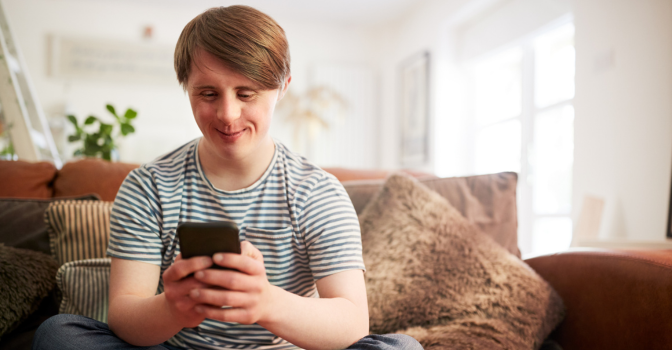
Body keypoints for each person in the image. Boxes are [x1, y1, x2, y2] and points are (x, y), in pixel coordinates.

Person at [33, 5, 423, 350]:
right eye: (207, 94)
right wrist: (175, 308)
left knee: (400, 348)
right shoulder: (147, 186)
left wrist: (267, 302)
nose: (228, 114)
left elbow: (353, 322)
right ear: (186, 88)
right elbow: (124, 314)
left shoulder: (318, 192)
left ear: (282, 88)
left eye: (246, 93)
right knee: (58, 334)